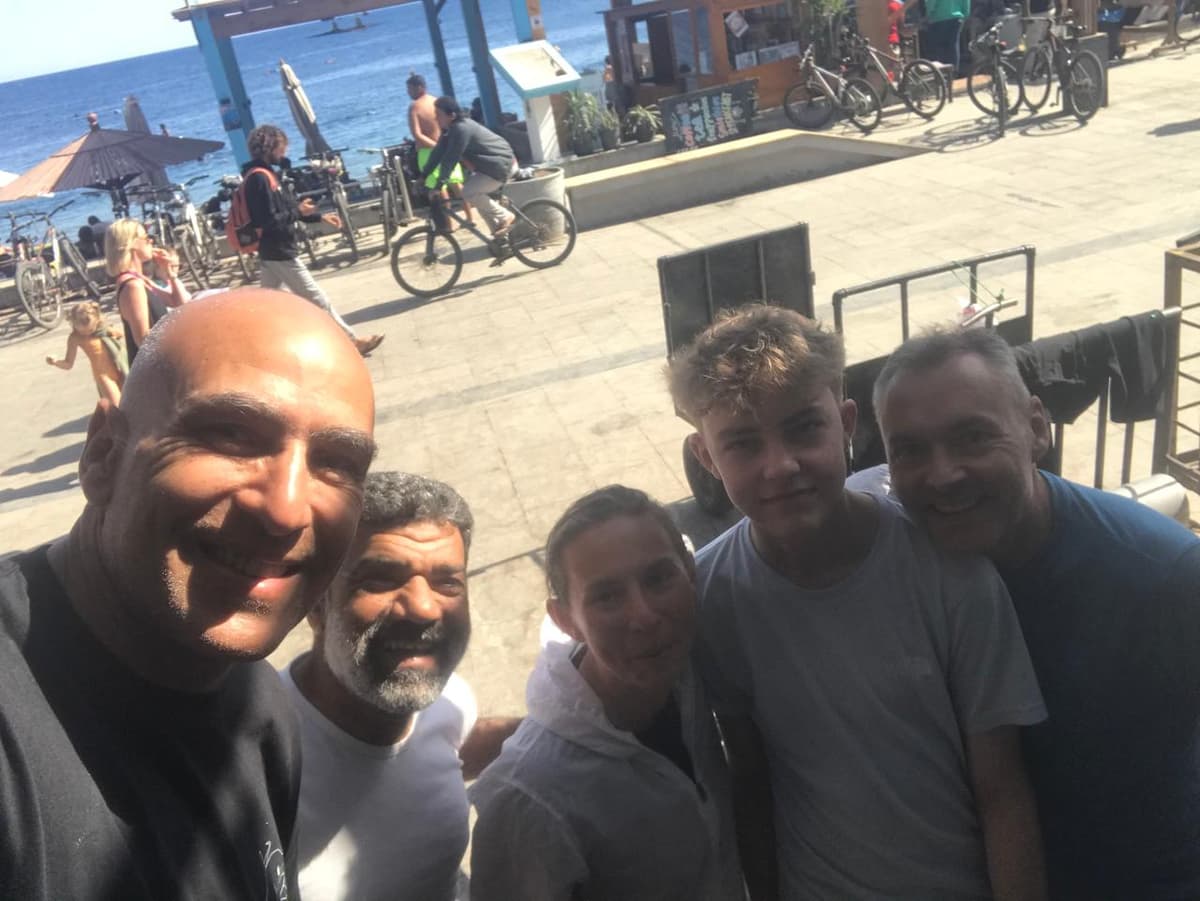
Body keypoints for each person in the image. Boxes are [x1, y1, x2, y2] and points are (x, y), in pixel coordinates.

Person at [0, 289, 377, 900]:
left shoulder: (260, 709)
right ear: (103, 453)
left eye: (335, 464)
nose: (286, 510)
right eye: (231, 434)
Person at [668, 305, 1048, 901]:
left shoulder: (947, 571)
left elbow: (1000, 787)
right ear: (707, 458)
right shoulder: (713, 596)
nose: (781, 465)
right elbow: (752, 776)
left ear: (846, 424)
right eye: (743, 444)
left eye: (803, 428)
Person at [871, 326, 1200, 901]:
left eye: (973, 437)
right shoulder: (892, 573)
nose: (943, 474)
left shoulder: (1163, 576)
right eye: (911, 451)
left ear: (1037, 427)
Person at [469, 485, 745, 901]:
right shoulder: (529, 797)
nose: (644, 616)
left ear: (690, 573)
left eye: (658, 578)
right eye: (607, 597)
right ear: (566, 621)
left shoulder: (689, 674)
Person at [282, 471, 519, 901]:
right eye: (379, 579)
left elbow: (446, 750)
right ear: (316, 602)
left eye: (448, 583)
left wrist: (558, 733)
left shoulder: (450, 703)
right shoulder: (261, 763)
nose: (424, 608)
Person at [243, 124, 383, 357]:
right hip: (280, 251)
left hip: (274, 252)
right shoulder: (259, 179)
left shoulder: (267, 175)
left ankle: (255, 348)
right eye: (281, 148)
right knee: (317, 298)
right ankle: (351, 342)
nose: (284, 154)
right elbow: (268, 220)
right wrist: (298, 211)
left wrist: (316, 215)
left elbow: (287, 210)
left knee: (267, 305)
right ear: (269, 148)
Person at [419, 97, 516, 237]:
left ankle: (505, 216)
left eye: (439, 114)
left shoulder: (461, 129)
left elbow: (450, 159)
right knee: (476, 197)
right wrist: (423, 176)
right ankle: (500, 239)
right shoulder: (449, 130)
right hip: (489, 168)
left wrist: (439, 186)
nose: (436, 118)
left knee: (468, 193)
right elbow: (437, 154)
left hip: (501, 166)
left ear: (451, 115)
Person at [104, 218, 190, 367]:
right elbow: (143, 340)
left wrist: (170, 273)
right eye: (146, 237)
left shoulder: (138, 278)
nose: (151, 241)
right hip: (153, 371)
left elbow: (179, 303)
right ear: (131, 244)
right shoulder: (133, 285)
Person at [407, 73, 472, 225]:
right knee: (456, 184)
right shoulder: (437, 102)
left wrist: (435, 148)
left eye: (410, 89)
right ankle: (469, 217)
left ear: (419, 88)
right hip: (446, 146)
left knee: (439, 188)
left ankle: (448, 223)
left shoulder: (414, 107)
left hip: (428, 151)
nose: (408, 93)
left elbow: (417, 134)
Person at [44, 300, 127, 406]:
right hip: (103, 375)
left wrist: (115, 336)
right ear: (73, 324)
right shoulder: (75, 338)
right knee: (117, 405)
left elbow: (120, 337)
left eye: (91, 329)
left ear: (97, 320)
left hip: (120, 368)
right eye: (82, 332)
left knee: (130, 401)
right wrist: (55, 362)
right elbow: (68, 364)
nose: (87, 334)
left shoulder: (103, 329)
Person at [910, 0, 969, 71]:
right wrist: (965, 16)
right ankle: (953, 71)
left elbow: (931, 3)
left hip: (938, 18)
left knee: (937, 48)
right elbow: (966, 3)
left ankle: (940, 72)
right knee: (953, 46)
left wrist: (927, 16)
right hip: (956, 18)